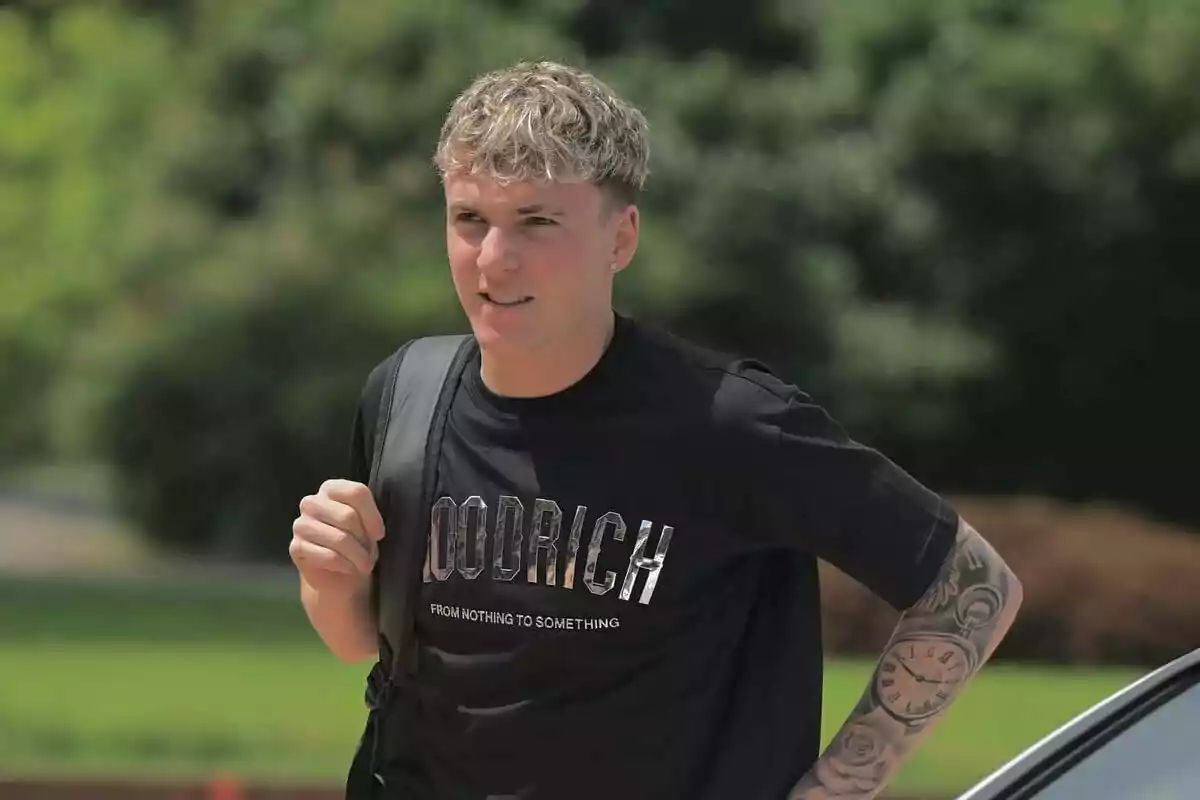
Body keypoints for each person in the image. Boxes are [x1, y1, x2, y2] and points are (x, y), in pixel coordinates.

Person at [289, 60, 1023, 800]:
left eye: (538, 221)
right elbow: (362, 644)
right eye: (469, 219)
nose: (494, 259)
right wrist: (331, 582)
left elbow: (971, 585)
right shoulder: (406, 396)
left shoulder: (728, 423)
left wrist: (836, 789)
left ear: (622, 237)